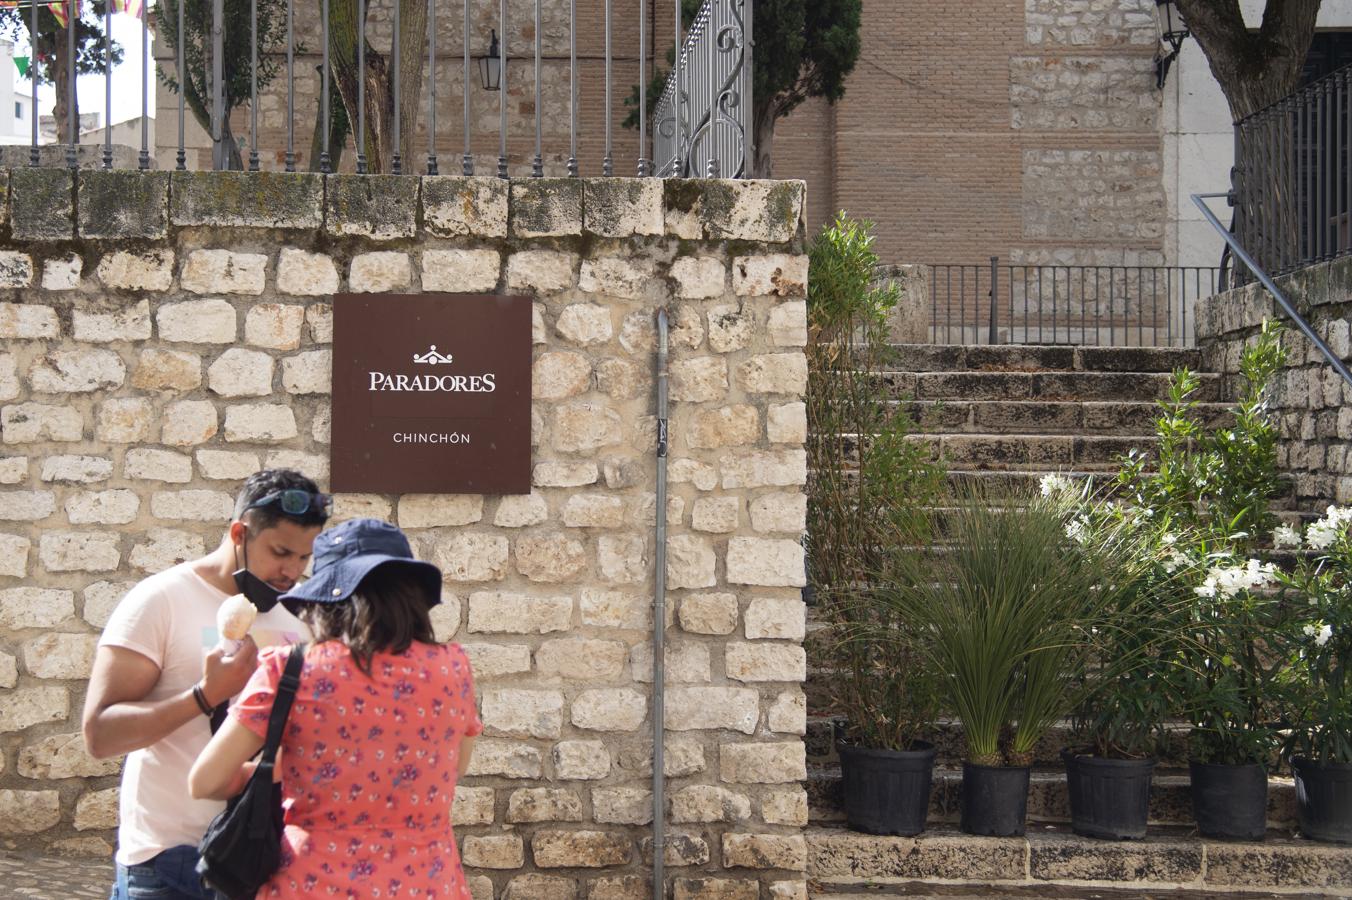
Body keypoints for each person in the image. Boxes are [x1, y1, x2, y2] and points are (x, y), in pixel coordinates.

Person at [188, 517, 481, 899]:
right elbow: (455, 766)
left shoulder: (288, 669)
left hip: (312, 885)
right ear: (412, 596)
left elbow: (205, 781)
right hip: (427, 885)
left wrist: (274, 772)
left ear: (324, 598)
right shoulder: (453, 668)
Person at [83, 469, 331, 900]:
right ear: (239, 533)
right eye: (279, 552)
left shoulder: (302, 617)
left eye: (304, 558)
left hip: (262, 857)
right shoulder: (160, 600)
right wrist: (204, 696)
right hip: (167, 861)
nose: (291, 571)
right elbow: (101, 734)